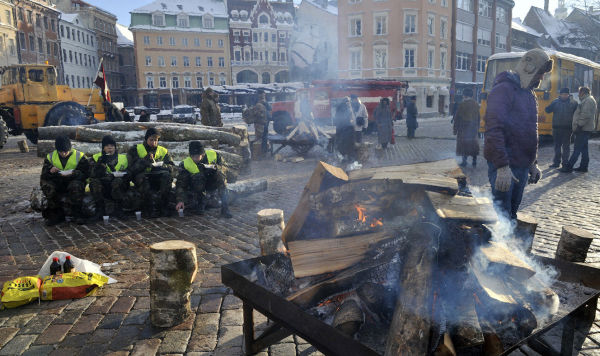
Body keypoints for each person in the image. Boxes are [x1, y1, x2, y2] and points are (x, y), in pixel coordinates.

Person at [484, 48, 552, 220]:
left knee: (511, 215)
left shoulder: (529, 94)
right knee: (501, 219)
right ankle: (493, 247)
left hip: (521, 167)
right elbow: (494, 130)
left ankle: (507, 246)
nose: (541, 77)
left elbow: (531, 131)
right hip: (505, 167)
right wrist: (502, 166)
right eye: (540, 72)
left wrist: (532, 163)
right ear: (529, 68)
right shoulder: (504, 90)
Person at [40, 136, 89, 225]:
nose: (63, 154)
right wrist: (50, 171)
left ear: (70, 148)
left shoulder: (79, 156)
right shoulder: (50, 157)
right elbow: (44, 175)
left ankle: (77, 214)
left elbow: (86, 173)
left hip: (73, 180)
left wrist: (74, 173)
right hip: (57, 181)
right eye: (61, 152)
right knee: (49, 187)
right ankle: (56, 214)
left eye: (66, 151)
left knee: (75, 186)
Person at [175, 141, 232, 218]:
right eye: (193, 156)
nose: (195, 159)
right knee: (198, 177)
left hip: (211, 183)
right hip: (197, 186)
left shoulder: (213, 155)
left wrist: (216, 168)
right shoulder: (185, 164)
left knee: (220, 176)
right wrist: (180, 200)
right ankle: (200, 202)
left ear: (202, 154)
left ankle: (225, 207)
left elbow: (226, 169)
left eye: (197, 156)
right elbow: (180, 183)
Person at [127, 128, 175, 217]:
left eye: (156, 140)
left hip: (158, 175)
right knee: (143, 179)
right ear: (146, 139)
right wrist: (144, 161)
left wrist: (162, 166)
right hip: (142, 175)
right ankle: (148, 208)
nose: (154, 143)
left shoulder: (163, 151)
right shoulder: (135, 149)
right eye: (151, 140)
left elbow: (172, 167)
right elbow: (132, 169)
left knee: (167, 176)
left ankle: (163, 205)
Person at [89, 135, 130, 218]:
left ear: (115, 147)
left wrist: (122, 173)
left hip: (119, 185)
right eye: (107, 146)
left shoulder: (123, 158)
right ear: (103, 148)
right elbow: (92, 174)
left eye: (112, 146)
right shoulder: (96, 158)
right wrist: (99, 165)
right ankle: (100, 210)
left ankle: (119, 209)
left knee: (118, 182)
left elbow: (130, 172)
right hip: (103, 185)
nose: (110, 148)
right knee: (94, 183)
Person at [560, 86, 597, 173]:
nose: (578, 94)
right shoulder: (587, 100)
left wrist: (579, 126)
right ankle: (583, 167)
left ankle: (568, 167)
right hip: (584, 128)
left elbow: (585, 115)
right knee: (584, 150)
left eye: (579, 92)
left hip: (583, 129)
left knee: (577, 149)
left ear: (583, 92)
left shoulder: (588, 100)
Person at [545, 88, 577, 169]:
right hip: (556, 128)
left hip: (568, 128)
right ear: (560, 94)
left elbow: (577, 114)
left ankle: (565, 163)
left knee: (566, 147)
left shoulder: (573, 103)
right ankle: (556, 162)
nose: (564, 96)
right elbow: (547, 110)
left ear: (569, 95)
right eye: (563, 94)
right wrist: (550, 106)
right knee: (557, 146)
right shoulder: (555, 102)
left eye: (566, 94)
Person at [453, 88, 481, 167]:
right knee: (473, 144)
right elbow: (478, 117)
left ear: (464, 95)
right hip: (473, 128)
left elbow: (457, 118)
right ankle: (474, 161)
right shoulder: (476, 104)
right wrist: (477, 127)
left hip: (463, 129)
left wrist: (455, 129)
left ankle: (464, 161)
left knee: (463, 145)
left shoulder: (462, 104)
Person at [334, 97, 357, 161]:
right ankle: (345, 157)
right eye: (347, 102)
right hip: (344, 129)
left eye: (349, 102)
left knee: (348, 145)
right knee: (343, 144)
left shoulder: (349, 108)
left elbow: (353, 118)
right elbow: (339, 119)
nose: (348, 103)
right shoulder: (342, 109)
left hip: (348, 129)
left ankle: (348, 158)